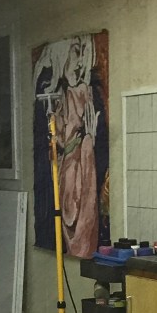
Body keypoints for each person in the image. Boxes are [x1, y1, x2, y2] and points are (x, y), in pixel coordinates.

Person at [34, 34, 101, 258]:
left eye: (83, 54)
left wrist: (87, 141)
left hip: (80, 168)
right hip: (67, 170)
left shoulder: (85, 94)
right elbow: (56, 146)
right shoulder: (54, 101)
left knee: (80, 216)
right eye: (75, 52)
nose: (80, 62)